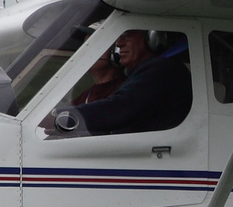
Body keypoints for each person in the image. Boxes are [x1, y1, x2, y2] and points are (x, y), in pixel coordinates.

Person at [51, 30, 191, 136]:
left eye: (127, 35)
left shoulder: (161, 69)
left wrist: (63, 118)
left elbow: (119, 108)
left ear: (151, 38)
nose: (119, 43)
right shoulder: (138, 75)